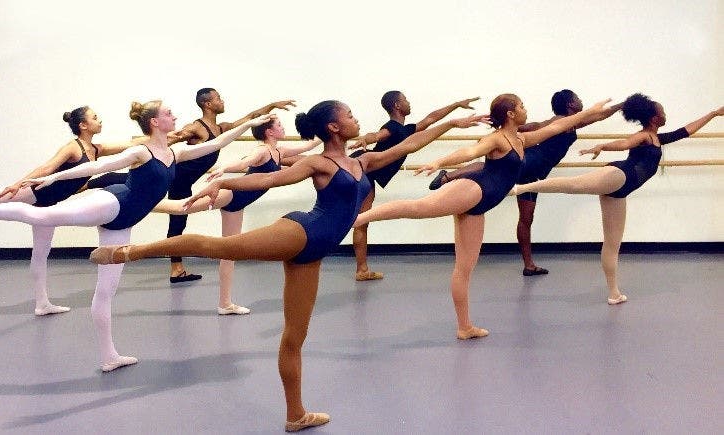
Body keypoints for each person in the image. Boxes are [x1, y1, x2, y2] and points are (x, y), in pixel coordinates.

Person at [89, 100, 487, 431]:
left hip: (312, 254)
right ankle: (129, 252)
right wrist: (223, 183)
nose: (355, 119)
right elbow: (271, 180)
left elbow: (412, 143)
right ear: (334, 127)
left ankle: (295, 415)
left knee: (295, 336)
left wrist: (453, 120)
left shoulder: (363, 164)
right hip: (300, 232)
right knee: (217, 245)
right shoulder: (319, 164)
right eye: (348, 115)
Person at [0, 100, 273, 372]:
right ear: (155, 122)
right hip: (111, 203)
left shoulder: (176, 153)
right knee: (38, 214)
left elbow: (221, 141)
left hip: (123, 223)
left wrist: (250, 123)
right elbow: (96, 167)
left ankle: (109, 356)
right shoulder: (142, 151)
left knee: (106, 291)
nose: (174, 115)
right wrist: (51, 180)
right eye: (168, 112)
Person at [353, 94, 611, 339]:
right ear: (510, 114)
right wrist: (439, 162)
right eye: (521, 105)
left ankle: (464, 327)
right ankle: (357, 219)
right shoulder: (497, 139)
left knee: (464, 269)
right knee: (419, 208)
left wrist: (590, 112)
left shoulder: (521, 140)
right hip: (474, 190)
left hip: (481, 205)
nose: (525, 108)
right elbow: (470, 153)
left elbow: (558, 127)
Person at [0, 106, 146, 315]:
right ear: (83, 125)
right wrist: (20, 183)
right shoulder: (73, 148)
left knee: (41, 252)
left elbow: (132, 145)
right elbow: (47, 167)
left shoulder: (97, 149)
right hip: (34, 193)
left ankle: (42, 303)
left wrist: (174, 137)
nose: (100, 120)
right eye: (94, 117)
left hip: (46, 205)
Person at [513, 94, 723, 304]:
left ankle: (614, 293)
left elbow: (687, 130)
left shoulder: (658, 138)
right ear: (654, 118)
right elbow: (625, 143)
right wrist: (603, 147)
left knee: (613, 243)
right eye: (663, 112)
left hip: (620, 191)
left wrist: (713, 114)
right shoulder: (644, 137)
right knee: (574, 185)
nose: (665, 114)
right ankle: (522, 187)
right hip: (618, 175)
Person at [429, 90, 622, 275]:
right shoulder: (560, 120)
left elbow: (598, 116)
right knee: (495, 167)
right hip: (532, 160)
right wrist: (503, 126)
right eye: (578, 98)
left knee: (526, 218)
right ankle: (449, 176)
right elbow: (538, 126)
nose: (581, 101)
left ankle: (529, 265)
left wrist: (621, 106)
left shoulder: (571, 123)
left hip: (534, 174)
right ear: (571, 104)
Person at [153, 116, 321, 314]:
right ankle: (141, 203)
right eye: (279, 125)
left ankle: (225, 304)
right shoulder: (262, 151)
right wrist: (224, 168)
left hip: (238, 205)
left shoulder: (279, 151)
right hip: (231, 195)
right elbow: (243, 164)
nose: (283, 127)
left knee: (229, 252)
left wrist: (324, 130)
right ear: (269, 132)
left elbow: (308, 147)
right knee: (181, 207)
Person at [163, 88, 296, 283]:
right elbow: (171, 138)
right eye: (218, 98)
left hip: (184, 181)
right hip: (175, 177)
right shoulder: (196, 128)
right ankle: (176, 269)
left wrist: (273, 105)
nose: (222, 100)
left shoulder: (221, 128)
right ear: (207, 104)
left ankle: (177, 269)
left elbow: (250, 118)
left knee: (178, 221)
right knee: (176, 219)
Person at [347, 92, 480, 281]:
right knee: (360, 221)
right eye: (405, 100)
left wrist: (456, 104)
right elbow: (377, 135)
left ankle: (362, 269)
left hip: (368, 174)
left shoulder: (406, 130)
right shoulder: (392, 127)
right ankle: (361, 270)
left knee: (361, 221)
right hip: (365, 172)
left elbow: (430, 119)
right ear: (397, 106)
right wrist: (366, 139)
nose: (409, 102)